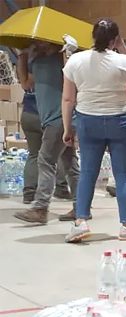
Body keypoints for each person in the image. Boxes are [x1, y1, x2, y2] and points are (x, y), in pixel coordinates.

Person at [60, 18, 126, 243]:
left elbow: (68, 99)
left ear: (93, 36)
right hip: (121, 119)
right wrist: (123, 48)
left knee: (88, 172)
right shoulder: (122, 61)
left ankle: (80, 222)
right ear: (114, 39)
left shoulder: (76, 61)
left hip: (88, 120)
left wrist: (68, 128)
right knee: (123, 174)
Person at [13, 42, 80, 225]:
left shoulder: (60, 60)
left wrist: (68, 54)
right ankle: (80, 207)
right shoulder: (37, 61)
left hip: (60, 119)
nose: (35, 45)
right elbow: (26, 83)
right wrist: (22, 55)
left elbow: (73, 80)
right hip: (51, 119)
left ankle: (41, 208)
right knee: (70, 164)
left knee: (45, 160)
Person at [15, 54, 71, 204]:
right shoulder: (56, 61)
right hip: (53, 115)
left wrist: (22, 56)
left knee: (34, 154)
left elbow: (25, 84)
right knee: (59, 154)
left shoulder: (32, 60)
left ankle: (29, 192)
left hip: (29, 113)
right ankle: (61, 188)